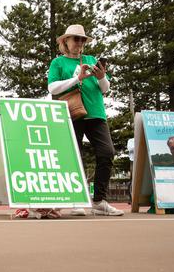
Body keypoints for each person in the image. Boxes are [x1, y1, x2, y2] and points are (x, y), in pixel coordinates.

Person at [48, 24, 124, 216]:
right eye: (76, 39)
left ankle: (99, 201)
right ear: (65, 41)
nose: (80, 43)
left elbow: (105, 89)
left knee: (107, 152)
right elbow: (52, 88)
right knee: (74, 157)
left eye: (83, 40)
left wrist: (101, 77)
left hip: (96, 113)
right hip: (71, 113)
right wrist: (77, 78)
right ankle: (76, 200)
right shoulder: (58, 63)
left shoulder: (91, 60)